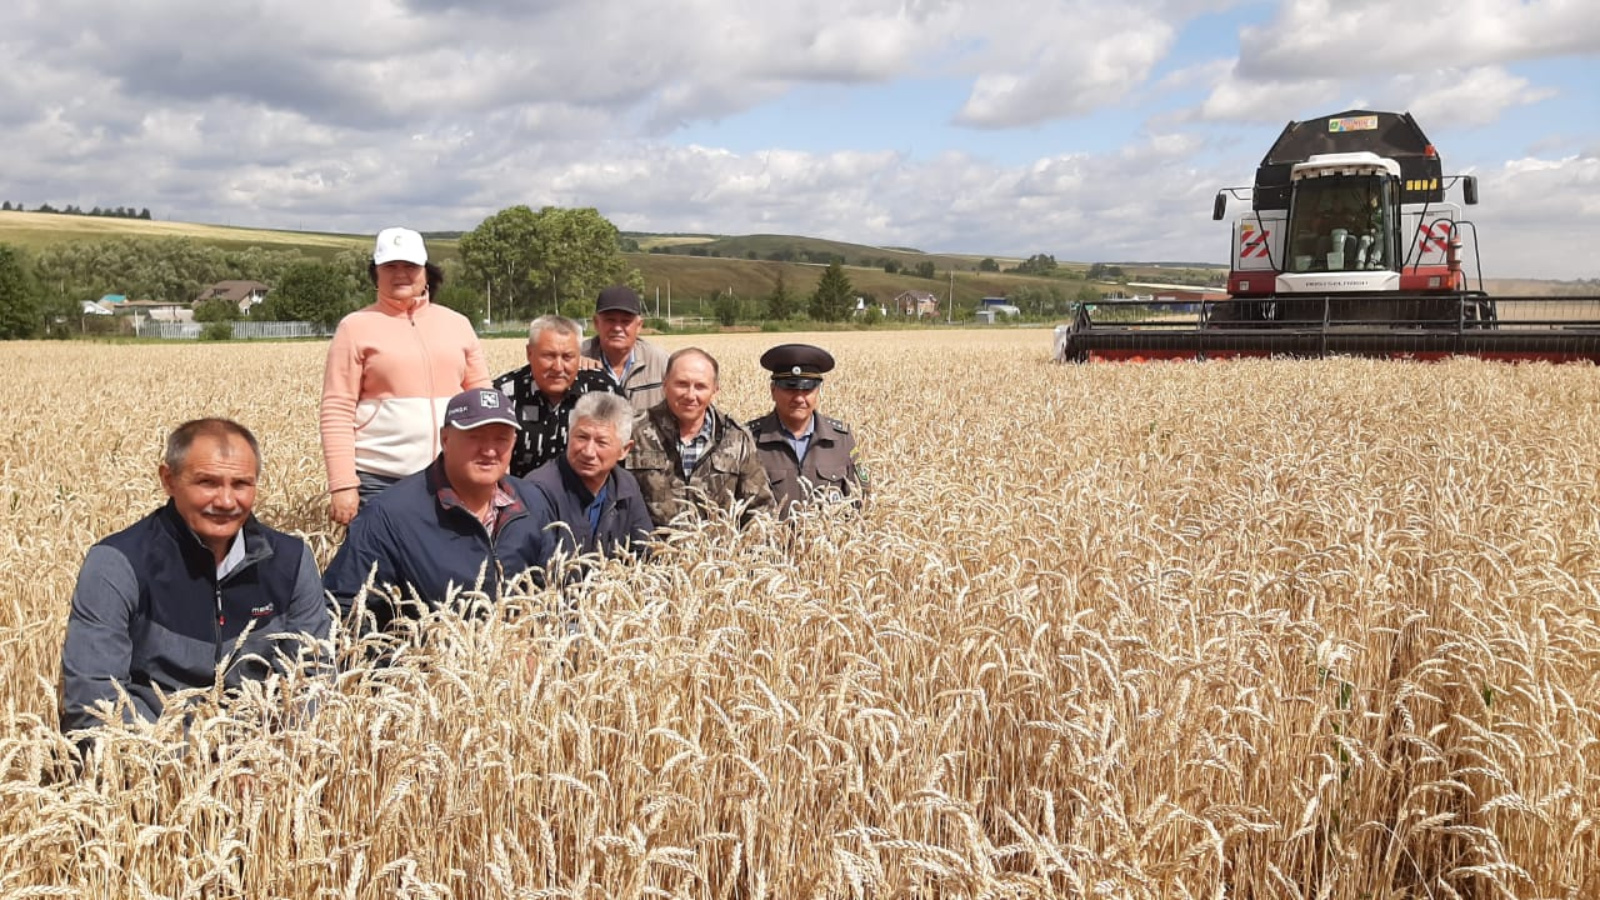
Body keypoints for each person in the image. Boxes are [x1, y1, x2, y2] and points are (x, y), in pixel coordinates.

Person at [59, 419, 330, 735]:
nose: (226, 501)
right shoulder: (117, 565)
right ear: (168, 480)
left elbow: (313, 679)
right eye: (208, 483)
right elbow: (95, 703)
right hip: (150, 761)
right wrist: (189, 764)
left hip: (265, 763)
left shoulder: (291, 561)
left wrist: (269, 760)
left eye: (241, 484)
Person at [324, 388, 557, 637]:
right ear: (445, 439)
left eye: (501, 438)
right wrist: (399, 668)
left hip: (518, 665)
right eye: (475, 436)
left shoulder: (531, 502)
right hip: (428, 669)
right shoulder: (389, 516)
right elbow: (341, 610)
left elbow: (554, 588)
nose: (489, 450)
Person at [320, 227, 490, 525]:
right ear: (376, 273)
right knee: (380, 570)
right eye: (390, 266)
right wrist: (343, 484)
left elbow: (484, 403)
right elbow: (337, 408)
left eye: (410, 266)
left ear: (426, 271)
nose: (400, 274)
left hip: (450, 478)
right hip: (379, 479)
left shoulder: (457, 325)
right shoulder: (355, 327)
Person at [626, 347, 773, 526]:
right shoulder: (634, 431)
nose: (690, 395)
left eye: (700, 386)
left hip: (717, 553)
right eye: (681, 384)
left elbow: (759, 509)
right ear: (665, 384)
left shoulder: (736, 438)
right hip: (649, 552)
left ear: (715, 390)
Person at [524, 392, 654, 564]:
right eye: (582, 437)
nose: (588, 452)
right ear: (569, 435)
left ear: (624, 450)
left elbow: (647, 554)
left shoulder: (625, 485)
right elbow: (538, 572)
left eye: (602, 442)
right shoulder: (538, 490)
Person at [493, 315, 623, 477]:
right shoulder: (505, 393)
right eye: (549, 356)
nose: (558, 367)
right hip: (523, 498)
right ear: (529, 353)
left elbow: (620, 456)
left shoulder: (603, 391)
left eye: (567, 357)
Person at [747, 343, 866, 516]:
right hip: (767, 542)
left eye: (807, 389)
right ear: (773, 391)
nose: (799, 398)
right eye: (790, 388)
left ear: (818, 391)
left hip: (829, 541)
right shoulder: (748, 441)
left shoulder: (841, 440)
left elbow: (860, 501)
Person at [580, 285, 668, 412]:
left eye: (626, 321)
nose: (617, 328)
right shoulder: (576, 358)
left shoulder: (660, 363)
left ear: (639, 326)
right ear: (596, 323)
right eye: (610, 320)